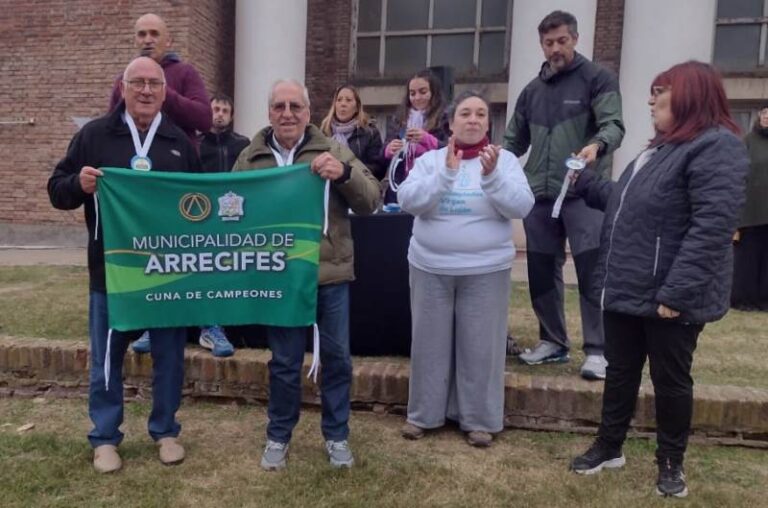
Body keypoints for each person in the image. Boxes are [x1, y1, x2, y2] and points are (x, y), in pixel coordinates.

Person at [568, 61, 748, 498]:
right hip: (629, 287)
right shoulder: (661, 149)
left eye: (660, 92)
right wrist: (587, 185)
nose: (650, 101)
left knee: (671, 382)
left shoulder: (717, 146)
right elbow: (632, 204)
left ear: (690, 95)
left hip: (670, 296)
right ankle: (609, 447)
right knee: (622, 372)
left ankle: (671, 463)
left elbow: (712, 226)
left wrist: (678, 292)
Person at [48, 57, 202, 473]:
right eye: (138, 83)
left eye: (154, 83)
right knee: (107, 357)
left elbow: (199, 206)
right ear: (124, 86)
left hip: (169, 273)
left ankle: (166, 430)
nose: (147, 91)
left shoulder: (179, 142)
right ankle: (104, 436)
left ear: (166, 91)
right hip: (111, 271)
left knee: (169, 356)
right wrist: (78, 185)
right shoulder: (95, 135)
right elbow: (56, 189)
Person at [232, 79, 380, 470]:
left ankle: (336, 436)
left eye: (295, 106)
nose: (287, 114)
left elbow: (372, 200)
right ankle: (278, 436)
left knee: (337, 360)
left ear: (308, 112)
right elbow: (230, 213)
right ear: (269, 113)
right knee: (283, 362)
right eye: (279, 106)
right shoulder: (251, 157)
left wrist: (344, 173)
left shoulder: (333, 149)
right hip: (279, 279)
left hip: (327, 276)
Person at [397, 91, 534, 447]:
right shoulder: (429, 161)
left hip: (486, 269)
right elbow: (409, 201)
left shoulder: (503, 162)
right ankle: (423, 415)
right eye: (465, 113)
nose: (473, 120)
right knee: (429, 344)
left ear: (488, 123)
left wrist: (491, 178)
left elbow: (522, 206)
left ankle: (479, 420)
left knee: (481, 347)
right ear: (451, 122)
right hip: (430, 266)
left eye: (481, 114)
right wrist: (444, 175)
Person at [503, 10, 625, 380]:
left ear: (574, 38)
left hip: (583, 193)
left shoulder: (598, 79)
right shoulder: (531, 91)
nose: (555, 49)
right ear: (541, 44)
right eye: (548, 42)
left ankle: (599, 350)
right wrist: (492, 163)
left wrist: (596, 146)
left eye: (562, 41)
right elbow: (513, 141)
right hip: (538, 196)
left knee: (591, 269)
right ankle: (552, 341)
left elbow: (614, 125)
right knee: (541, 269)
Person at [116, 13, 212, 355]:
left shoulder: (184, 74)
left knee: (186, 255)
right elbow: (114, 122)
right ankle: (148, 323)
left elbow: (204, 118)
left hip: (177, 182)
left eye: (155, 33)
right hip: (139, 188)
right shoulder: (125, 78)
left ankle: (207, 322)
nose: (147, 39)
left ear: (168, 40)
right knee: (147, 257)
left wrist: (161, 91)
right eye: (141, 33)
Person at [382, 69, 450, 209]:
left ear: (434, 93)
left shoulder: (445, 117)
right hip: (399, 187)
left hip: (431, 188)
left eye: (423, 92)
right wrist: (389, 150)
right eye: (412, 93)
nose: (417, 97)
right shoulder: (399, 119)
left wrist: (427, 140)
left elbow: (452, 152)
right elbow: (382, 153)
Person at [732, 106, 768, 311]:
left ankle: (765, 300)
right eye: (764, 113)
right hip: (749, 212)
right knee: (748, 258)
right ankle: (742, 299)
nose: (767, 117)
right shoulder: (747, 141)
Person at [320, 84, 386, 179]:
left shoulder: (370, 133)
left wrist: (347, 171)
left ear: (356, 107)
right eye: (339, 100)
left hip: (357, 190)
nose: (343, 104)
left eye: (348, 100)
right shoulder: (324, 132)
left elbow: (378, 170)